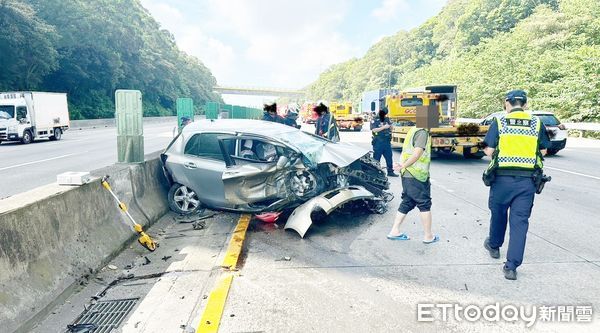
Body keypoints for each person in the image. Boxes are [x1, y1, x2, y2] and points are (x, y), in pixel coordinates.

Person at [481, 90, 550, 281]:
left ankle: (494, 246)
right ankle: (511, 267)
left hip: (502, 179)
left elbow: (489, 150)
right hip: (527, 181)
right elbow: (543, 150)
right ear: (525, 104)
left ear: (507, 103)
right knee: (520, 223)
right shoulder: (537, 123)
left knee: (499, 214)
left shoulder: (500, 122)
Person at [387, 125, 438, 244]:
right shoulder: (422, 132)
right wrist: (402, 166)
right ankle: (428, 236)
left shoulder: (413, 129)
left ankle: (395, 231)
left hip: (407, 174)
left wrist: (402, 166)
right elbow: (417, 154)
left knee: (408, 201)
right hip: (416, 174)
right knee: (424, 203)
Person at [371, 106, 399, 177]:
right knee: (376, 158)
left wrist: (391, 126)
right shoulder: (375, 120)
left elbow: (391, 128)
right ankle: (375, 173)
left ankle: (390, 171)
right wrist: (384, 127)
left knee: (389, 157)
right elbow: (374, 130)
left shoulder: (387, 119)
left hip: (386, 141)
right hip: (378, 141)